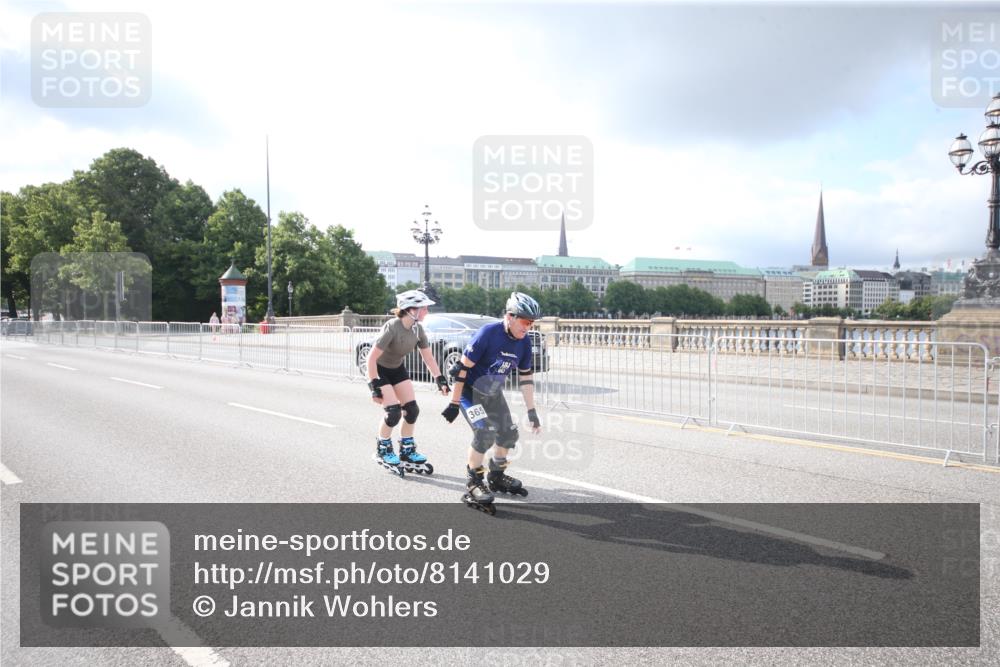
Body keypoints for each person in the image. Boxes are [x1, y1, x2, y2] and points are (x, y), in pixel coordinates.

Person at [441, 292, 542, 513]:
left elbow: (525, 378)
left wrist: (532, 411)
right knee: (484, 433)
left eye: (531, 322)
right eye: (525, 321)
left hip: (493, 393)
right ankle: (473, 482)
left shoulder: (524, 342)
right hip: (470, 392)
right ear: (510, 316)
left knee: (508, 434)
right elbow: (461, 370)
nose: (528, 327)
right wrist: (454, 403)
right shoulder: (488, 333)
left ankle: (496, 476)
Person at [367, 289, 450, 476]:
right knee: (393, 413)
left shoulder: (417, 329)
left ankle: (407, 449)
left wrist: (440, 378)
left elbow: (428, 357)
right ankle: (383, 448)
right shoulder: (392, 327)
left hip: (397, 369)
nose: (427, 311)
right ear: (411, 309)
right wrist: (374, 385)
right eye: (424, 308)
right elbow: (371, 359)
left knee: (412, 410)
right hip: (380, 370)